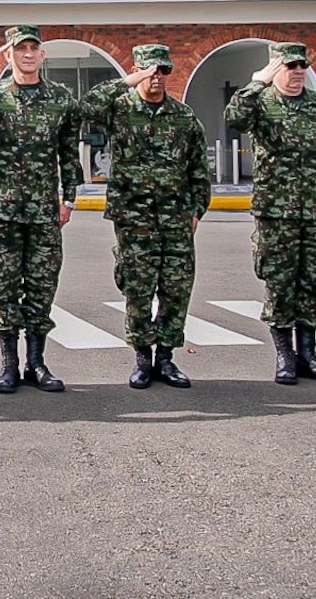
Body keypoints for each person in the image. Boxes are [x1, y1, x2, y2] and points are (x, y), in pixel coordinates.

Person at [0, 25, 80, 394]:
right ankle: (8, 364)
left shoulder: (60, 98)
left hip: (43, 210)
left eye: (33, 48)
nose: (27, 54)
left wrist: (68, 198)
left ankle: (36, 363)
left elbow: (68, 153)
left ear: (42, 54)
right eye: (19, 49)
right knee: (4, 289)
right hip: (2, 209)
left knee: (42, 287)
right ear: (10, 55)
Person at [80, 44, 211, 389]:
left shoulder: (183, 117)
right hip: (133, 216)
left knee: (176, 288)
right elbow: (87, 106)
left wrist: (197, 209)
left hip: (175, 217)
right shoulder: (120, 109)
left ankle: (165, 357)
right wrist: (127, 81)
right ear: (138, 69)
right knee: (138, 288)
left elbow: (199, 169)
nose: (157, 77)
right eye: (151, 70)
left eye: (163, 71)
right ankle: (141, 357)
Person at [225, 41, 316, 386]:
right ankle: (284, 355)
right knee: (280, 282)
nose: (297, 72)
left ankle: (309, 354)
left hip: (315, 210)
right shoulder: (262, 103)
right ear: (276, 68)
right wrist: (257, 81)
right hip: (276, 211)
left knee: (313, 279)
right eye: (290, 66)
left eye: (301, 67)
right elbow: (234, 118)